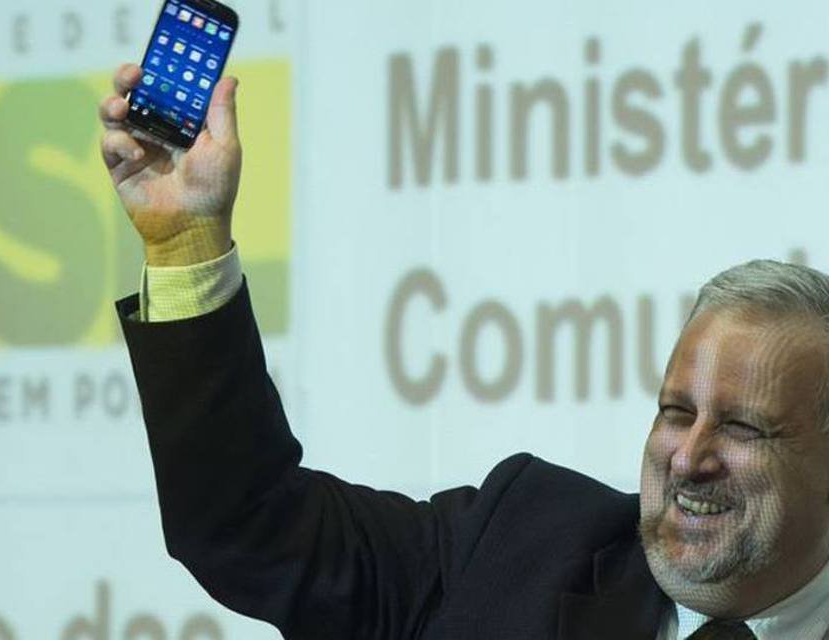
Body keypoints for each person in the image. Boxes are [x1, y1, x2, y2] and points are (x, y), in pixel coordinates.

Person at [100, 63, 829, 640]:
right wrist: (187, 245)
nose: (689, 457)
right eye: (676, 412)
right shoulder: (519, 548)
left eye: (742, 428)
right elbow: (248, 525)